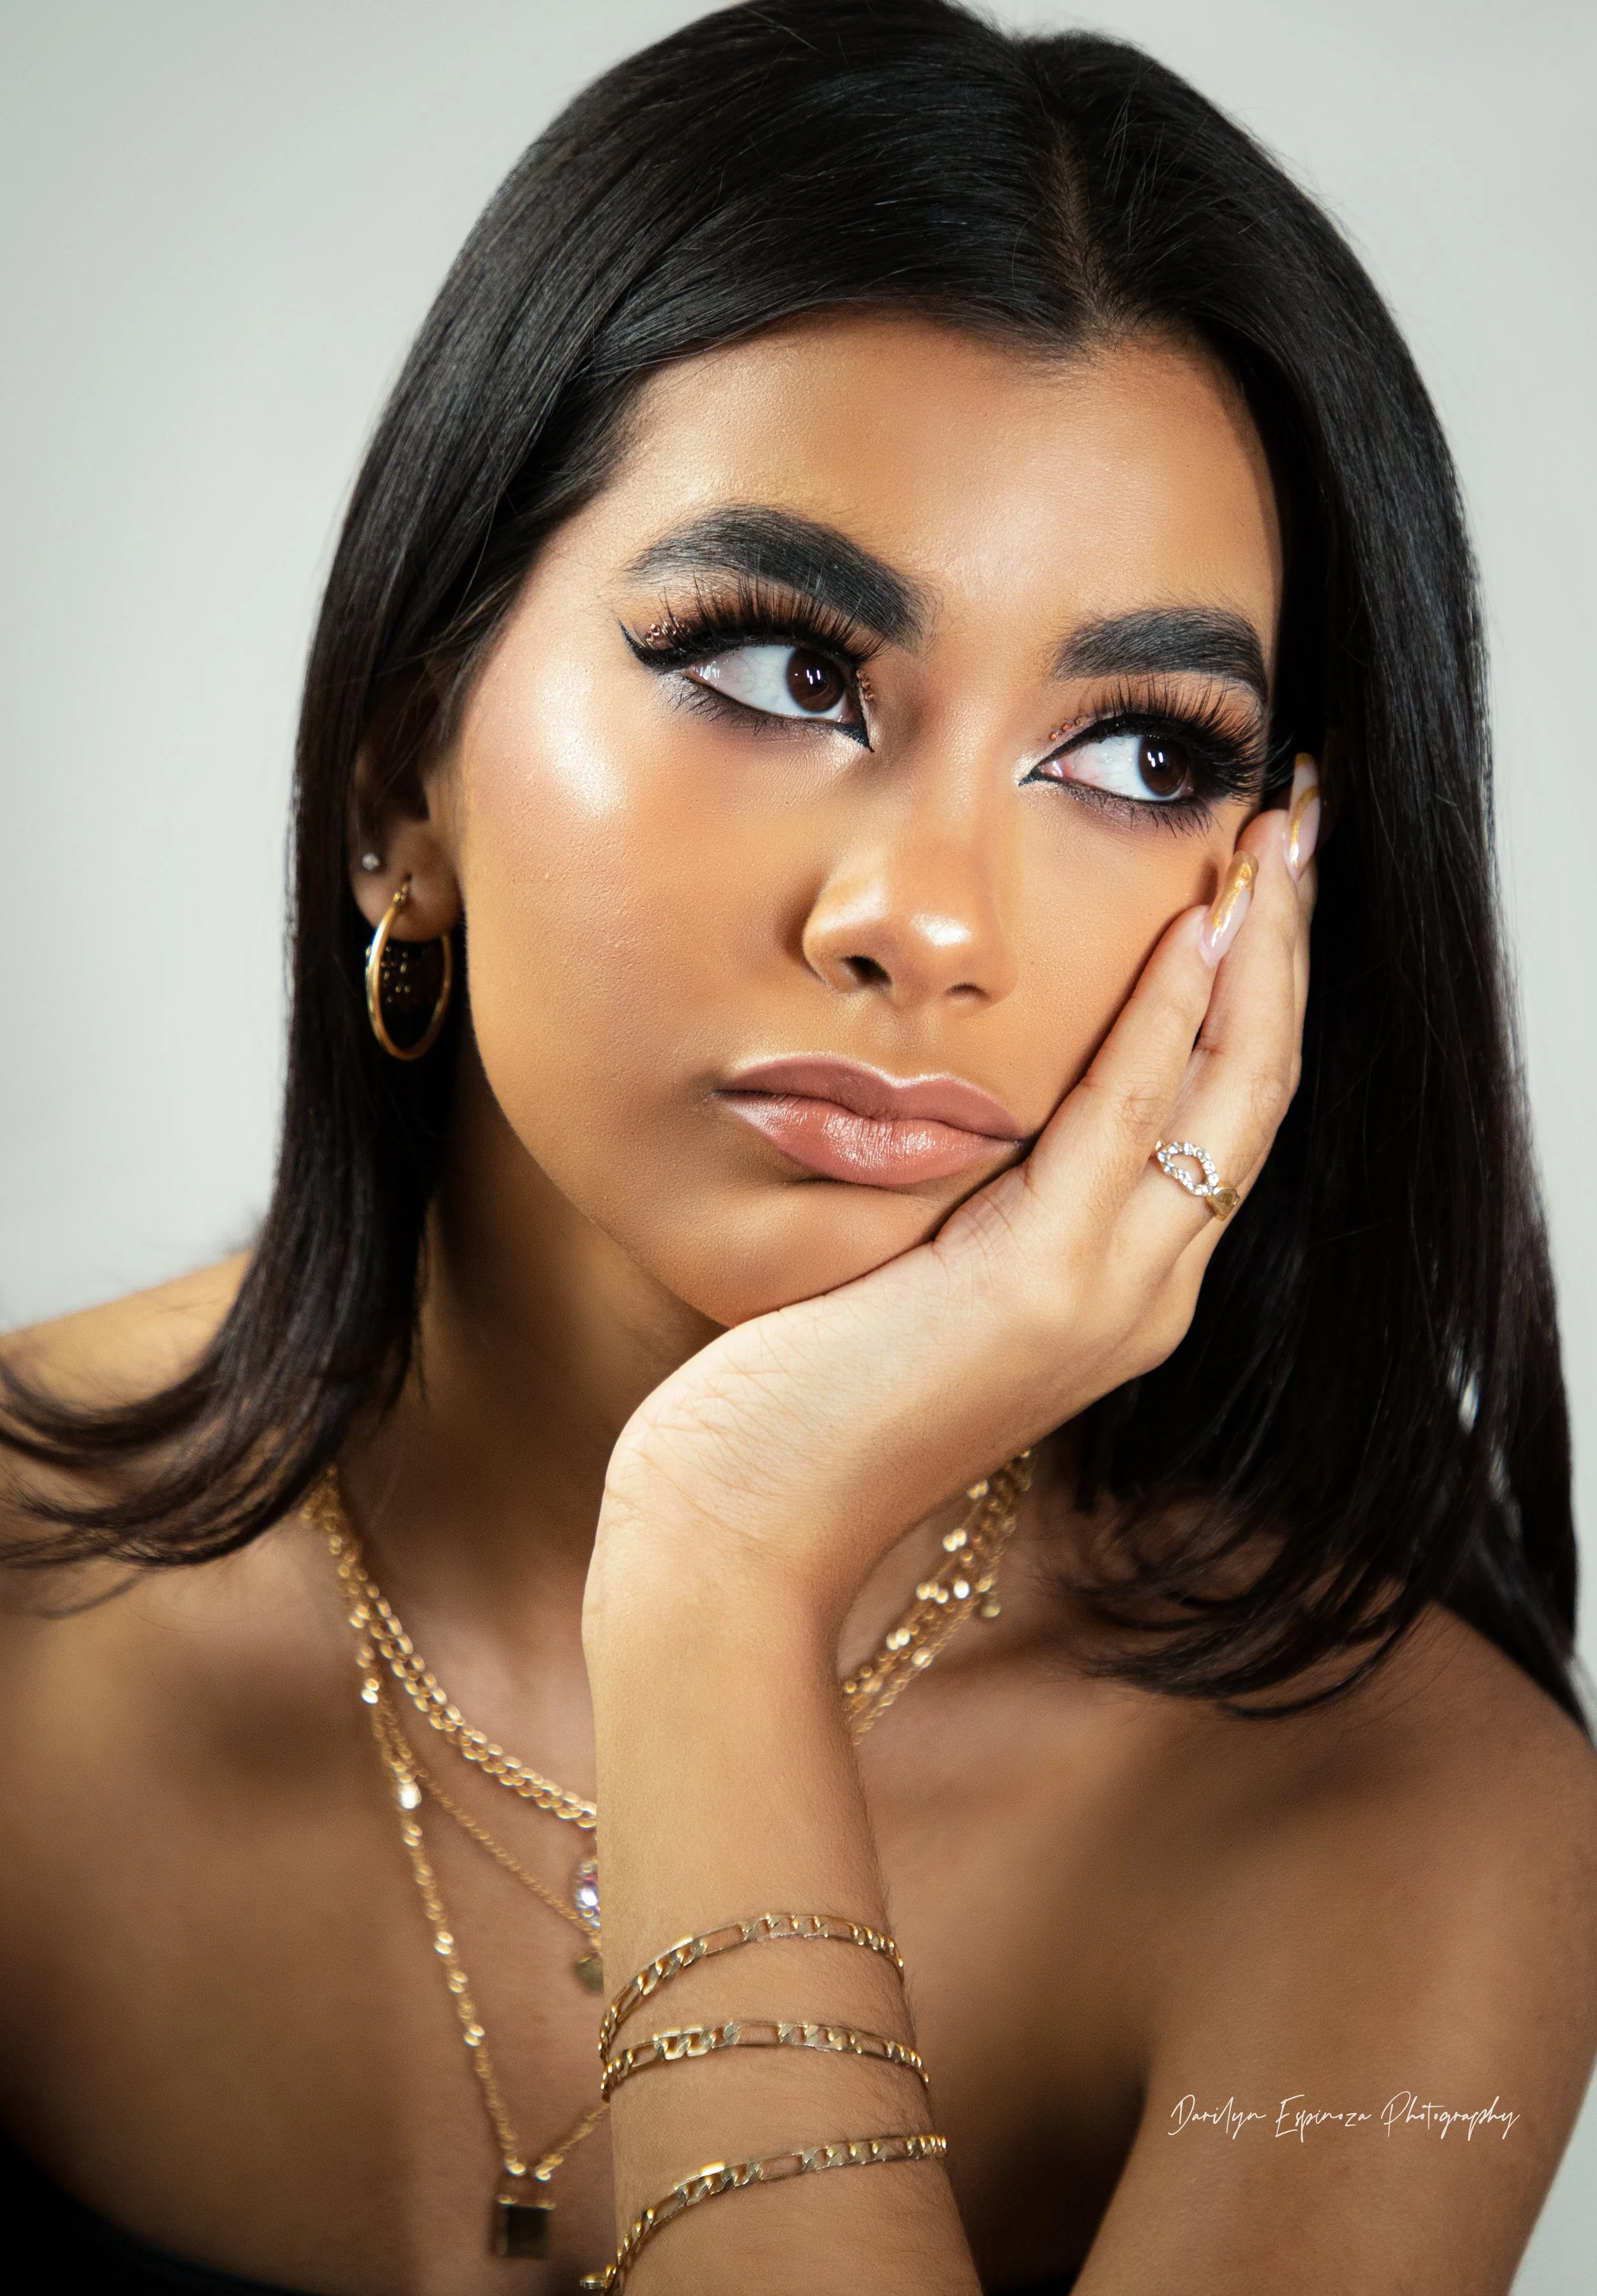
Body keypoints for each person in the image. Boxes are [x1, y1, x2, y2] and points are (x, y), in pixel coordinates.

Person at [3, 3, 1593, 2290]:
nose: (926, 924)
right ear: (394, 788)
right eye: (778, 669)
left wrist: (721, 1568)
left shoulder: (1384, 1824)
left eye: (1142, 755)